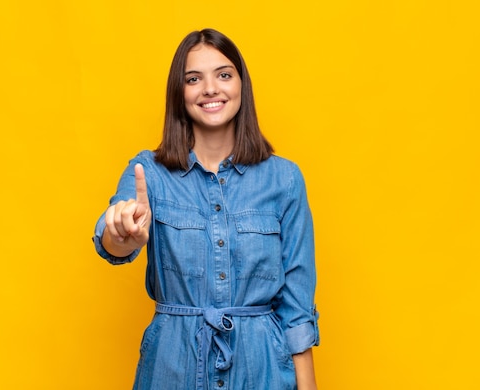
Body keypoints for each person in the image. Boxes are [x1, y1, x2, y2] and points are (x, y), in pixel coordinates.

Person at [93, 28, 320, 390]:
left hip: (261, 368)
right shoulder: (147, 172)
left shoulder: (285, 179)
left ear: (241, 86)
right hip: (171, 365)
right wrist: (121, 231)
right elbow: (113, 243)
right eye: (194, 78)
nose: (210, 88)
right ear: (178, 93)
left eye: (224, 75)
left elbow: (297, 307)